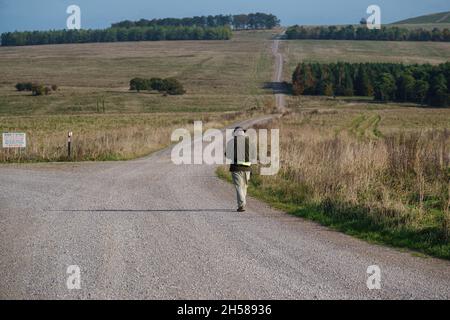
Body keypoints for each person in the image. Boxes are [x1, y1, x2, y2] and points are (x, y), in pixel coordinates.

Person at [226, 127, 252, 212]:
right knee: (244, 186)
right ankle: (242, 203)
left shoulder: (231, 142)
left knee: (238, 186)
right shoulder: (249, 142)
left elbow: (227, 155)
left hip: (236, 167)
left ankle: (242, 204)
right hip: (247, 168)